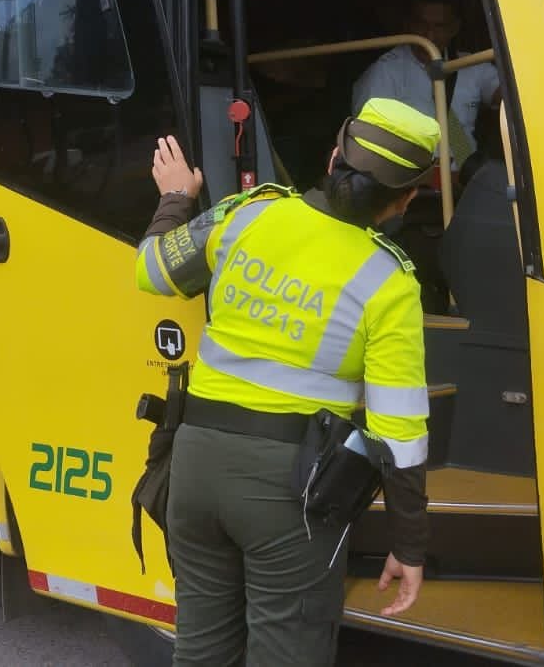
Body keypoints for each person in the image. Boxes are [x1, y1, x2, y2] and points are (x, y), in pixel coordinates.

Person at [134, 98, 436, 666]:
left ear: (332, 156)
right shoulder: (390, 282)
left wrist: (176, 197)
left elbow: (151, 268)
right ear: (405, 201)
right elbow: (399, 430)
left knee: (200, 650)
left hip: (193, 468)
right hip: (290, 490)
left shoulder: (247, 214)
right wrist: (408, 544)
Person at [350, 0, 500, 174]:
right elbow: (368, 146)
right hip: (412, 189)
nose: (429, 35)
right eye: (421, 24)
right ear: (408, 24)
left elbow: (511, 98)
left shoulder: (471, 65)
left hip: (469, 182)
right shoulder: (385, 73)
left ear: (454, 28)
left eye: (439, 26)